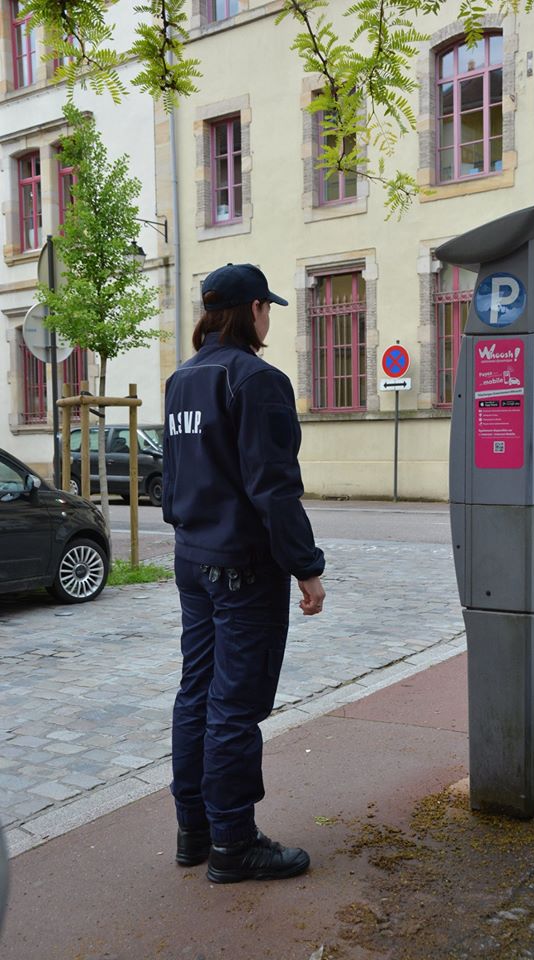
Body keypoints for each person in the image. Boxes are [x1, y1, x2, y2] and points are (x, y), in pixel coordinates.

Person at [162, 262, 326, 884]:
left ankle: (194, 830)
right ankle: (233, 843)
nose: (269, 319)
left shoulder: (182, 379)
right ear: (253, 309)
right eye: (268, 308)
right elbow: (274, 487)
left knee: (196, 693)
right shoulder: (257, 380)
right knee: (234, 704)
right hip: (242, 568)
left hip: (193, 559)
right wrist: (306, 568)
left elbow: (174, 482)